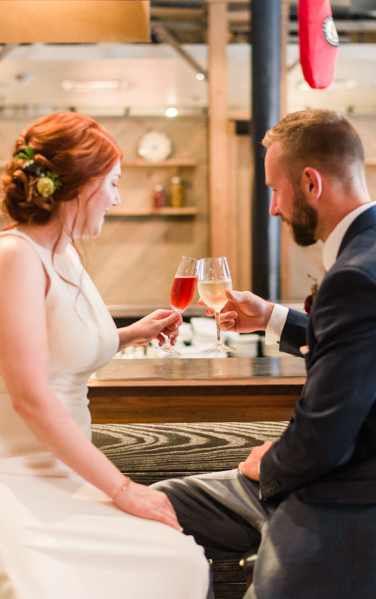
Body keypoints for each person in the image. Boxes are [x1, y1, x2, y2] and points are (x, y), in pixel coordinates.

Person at [153, 109, 376, 599]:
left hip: (346, 499)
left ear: (311, 183)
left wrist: (271, 463)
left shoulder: (355, 276)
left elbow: (324, 438)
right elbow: (356, 350)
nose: (273, 208)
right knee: (153, 503)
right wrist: (272, 317)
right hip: (332, 475)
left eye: (275, 190)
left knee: (148, 509)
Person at [0, 112, 209, 598]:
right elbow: (30, 396)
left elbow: (59, 351)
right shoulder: (16, 257)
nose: (116, 198)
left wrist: (134, 333)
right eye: (112, 183)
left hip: (68, 472)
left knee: (178, 559)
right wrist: (122, 488)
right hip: (18, 476)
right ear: (80, 185)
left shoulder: (64, 253)